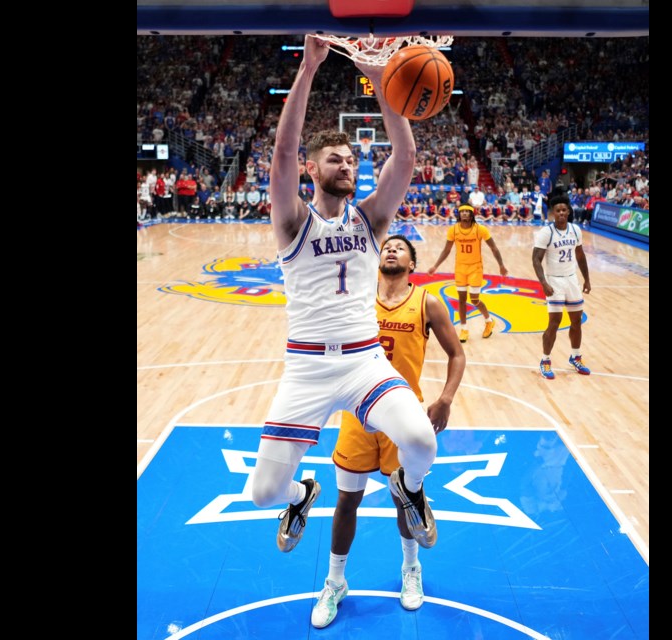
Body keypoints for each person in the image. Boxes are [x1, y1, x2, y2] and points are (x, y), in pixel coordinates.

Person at [250, 35, 438, 559]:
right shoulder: (292, 222)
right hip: (307, 369)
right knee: (263, 493)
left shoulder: (371, 218)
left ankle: (412, 488)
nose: (347, 166)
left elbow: (406, 153)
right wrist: (309, 68)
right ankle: (302, 493)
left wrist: (378, 75)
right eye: (335, 160)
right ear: (312, 169)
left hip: (363, 363)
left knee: (421, 442)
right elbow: (283, 151)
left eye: (352, 159)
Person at [311, 235, 466, 628]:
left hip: (402, 413)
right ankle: (334, 582)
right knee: (347, 501)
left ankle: (411, 570)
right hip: (358, 412)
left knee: (406, 499)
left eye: (400, 248)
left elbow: (457, 354)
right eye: (386, 247)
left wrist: (445, 398)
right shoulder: (358, 297)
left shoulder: (427, 302)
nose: (391, 250)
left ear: (412, 263)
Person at [426, 204, 509, 342]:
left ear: (472, 214)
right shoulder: (453, 230)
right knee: (462, 299)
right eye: (462, 211)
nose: (464, 213)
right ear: (459, 214)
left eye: (467, 211)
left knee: (474, 299)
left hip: (475, 267)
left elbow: (494, 248)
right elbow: (446, 250)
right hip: (460, 268)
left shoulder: (480, 229)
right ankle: (464, 329)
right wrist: (435, 266)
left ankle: (489, 321)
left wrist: (501, 265)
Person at [531, 195, 592, 379]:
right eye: (557, 210)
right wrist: (544, 283)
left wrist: (587, 279)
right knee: (554, 322)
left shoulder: (575, 230)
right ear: (552, 213)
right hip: (554, 281)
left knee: (576, 321)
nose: (561, 213)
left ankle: (575, 356)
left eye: (564, 210)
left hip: (571, 279)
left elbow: (580, 256)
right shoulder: (546, 233)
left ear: (568, 212)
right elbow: (536, 260)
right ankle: (545, 360)